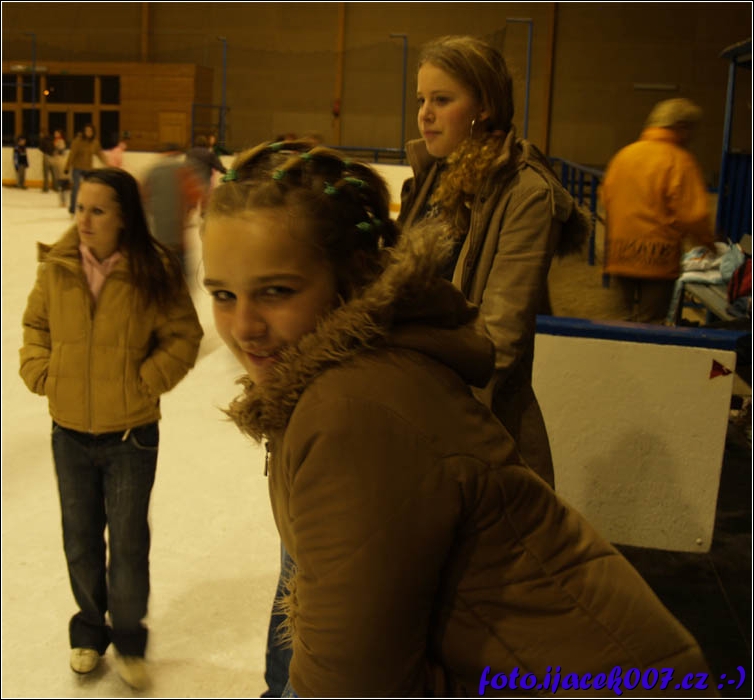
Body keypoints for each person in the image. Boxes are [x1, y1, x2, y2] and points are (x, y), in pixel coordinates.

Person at [201, 140, 714, 698]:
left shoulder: (351, 409)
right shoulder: (341, 379)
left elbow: (350, 688)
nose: (243, 326)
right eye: (223, 295)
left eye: (276, 291)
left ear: (350, 276)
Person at [19, 167, 204, 690]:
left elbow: (183, 335)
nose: (84, 220)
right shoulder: (58, 266)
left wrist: (144, 383)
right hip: (69, 432)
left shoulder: (152, 270)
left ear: (123, 217)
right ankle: (88, 630)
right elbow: (36, 326)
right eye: (81, 208)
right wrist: (41, 371)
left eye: (97, 210)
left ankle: (128, 638)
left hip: (131, 436)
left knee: (126, 544)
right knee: (79, 541)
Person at [398, 35, 589, 489]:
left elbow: (498, 342)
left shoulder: (527, 194)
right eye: (422, 100)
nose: (425, 114)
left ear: (483, 106)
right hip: (406, 398)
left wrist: (417, 390)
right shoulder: (431, 175)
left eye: (442, 100)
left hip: (472, 422)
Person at [600, 98, 717, 323]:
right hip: (657, 261)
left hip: (619, 255)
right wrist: (709, 244)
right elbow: (693, 215)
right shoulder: (679, 161)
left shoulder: (624, 156)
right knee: (650, 326)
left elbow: (607, 197)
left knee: (618, 323)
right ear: (681, 127)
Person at [141, 144, 204, 277]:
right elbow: (195, 195)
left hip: (158, 236)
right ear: (176, 153)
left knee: (161, 270)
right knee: (181, 273)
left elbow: (143, 198)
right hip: (178, 237)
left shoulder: (152, 171)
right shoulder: (183, 169)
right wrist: (188, 214)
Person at [64, 123, 106, 216]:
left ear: (93, 132)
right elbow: (72, 154)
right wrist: (67, 167)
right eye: (87, 131)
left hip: (88, 169)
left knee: (90, 190)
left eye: (90, 131)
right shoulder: (78, 141)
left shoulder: (95, 142)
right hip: (77, 168)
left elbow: (100, 154)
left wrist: (108, 164)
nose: (88, 133)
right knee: (76, 188)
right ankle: (72, 209)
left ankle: (88, 209)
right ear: (84, 131)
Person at [185, 134, 228, 215]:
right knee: (204, 202)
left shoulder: (189, 153)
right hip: (203, 180)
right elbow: (218, 166)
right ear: (206, 143)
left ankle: (187, 216)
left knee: (191, 202)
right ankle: (203, 215)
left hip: (191, 181)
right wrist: (226, 171)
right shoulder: (209, 154)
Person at [51, 129, 69, 207]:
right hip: (58, 163)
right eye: (55, 133)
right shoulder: (55, 141)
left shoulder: (60, 141)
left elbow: (61, 151)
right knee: (60, 185)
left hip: (61, 164)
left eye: (57, 133)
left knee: (62, 185)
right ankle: (62, 201)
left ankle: (63, 201)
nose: (55, 134)